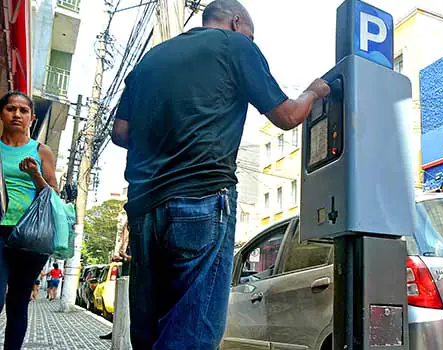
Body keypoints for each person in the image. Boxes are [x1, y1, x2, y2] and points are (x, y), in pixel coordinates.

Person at [111, 0, 330, 348]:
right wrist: (315, 90)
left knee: (150, 332)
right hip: (202, 197)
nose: (252, 42)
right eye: (251, 35)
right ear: (236, 21)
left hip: (144, 208)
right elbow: (287, 115)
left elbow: (120, 132)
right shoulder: (235, 46)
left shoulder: (150, 60)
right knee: (191, 335)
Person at [0, 91, 58, 349]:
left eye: (23, 111)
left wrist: (36, 174)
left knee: (18, 302)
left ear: (32, 118)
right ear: (2, 114)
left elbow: (52, 195)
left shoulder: (41, 151)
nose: (17, 114)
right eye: (11, 109)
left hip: (29, 237)